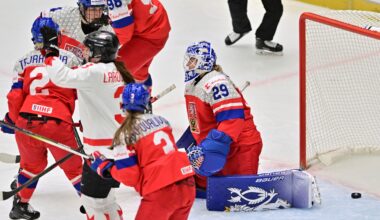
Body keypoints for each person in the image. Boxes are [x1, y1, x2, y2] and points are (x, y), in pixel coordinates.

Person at [42, 29, 134, 219]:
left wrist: (50, 52)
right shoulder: (121, 70)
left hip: (100, 152)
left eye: (87, 49)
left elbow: (62, 77)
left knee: (92, 204)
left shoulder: (94, 71)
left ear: (98, 52)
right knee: (107, 201)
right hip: (121, 148)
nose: (84, 53)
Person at [3, 17, 83, 220]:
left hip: (26, 121)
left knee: (30, 168)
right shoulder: (71, 58)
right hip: (57, 122)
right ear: (58, 36)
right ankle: (95, 205)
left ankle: (20, 205)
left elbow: (15, 97)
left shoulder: (22, 62)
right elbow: (84, 91)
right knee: (74, 168)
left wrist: (13, 121)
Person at [90, 83, 196, 220]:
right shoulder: (162, 121)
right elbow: (154, 154)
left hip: (162, 190)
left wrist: (106, 167)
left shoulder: (124, 133)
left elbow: (129, 176)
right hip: (187, 184)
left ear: (122, 105)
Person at [182, 41, 263, 194]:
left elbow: (232, 120)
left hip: (240, 148)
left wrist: (210, 150)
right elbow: (198, 122)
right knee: (189, 184)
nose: (189, 64)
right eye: (189, 59)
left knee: (242, 192)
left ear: (204, 61)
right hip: (214, 148)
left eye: (193, 60)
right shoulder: (192, 85)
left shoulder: (216, 82)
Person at [106, 0, 171, 92]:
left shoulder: (116, 2)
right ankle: (142, 98)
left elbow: (124, 35)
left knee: (113, 73)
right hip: (150, 22)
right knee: (138, 71)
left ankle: (138, 99)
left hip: (151, 33)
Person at [39, 0, 112, 61]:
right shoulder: (67, 15)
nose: (98, 14)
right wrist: (41, 41)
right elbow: (41, 20)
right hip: (58, 67)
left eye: (101, 9)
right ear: (82, 8)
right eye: (93, 9)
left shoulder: (107, 29)